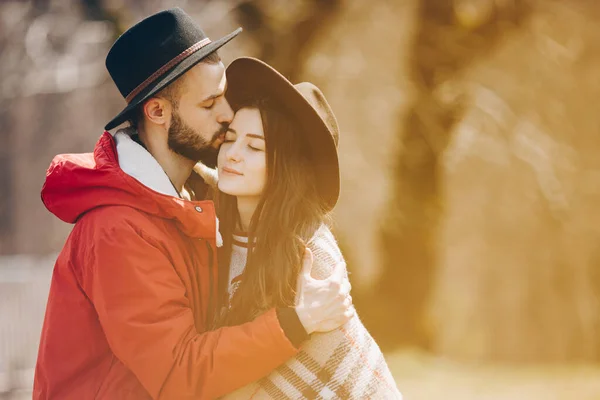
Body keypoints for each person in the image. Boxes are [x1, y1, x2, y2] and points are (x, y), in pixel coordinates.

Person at [33, 8, 353, 400]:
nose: (227, 113)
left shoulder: (194, 200)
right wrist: (294, 322)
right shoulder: (116, 231)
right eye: (209, 104)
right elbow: (178, 375)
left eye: (225, 96)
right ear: (157, 112)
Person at [199, 57, 402, 399]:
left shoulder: (310, 253)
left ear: (285, 166)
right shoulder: (213, 224)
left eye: (254, 147)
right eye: (230, 139)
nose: (232, 154)